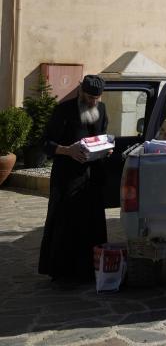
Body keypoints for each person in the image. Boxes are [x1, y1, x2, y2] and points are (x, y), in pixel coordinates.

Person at [37, 74, 110, 284]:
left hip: (91, 178)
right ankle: (64, 273)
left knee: (91, 224)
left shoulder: (102, 110)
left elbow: (102, 135)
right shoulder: (64, 110)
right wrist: (67, 151)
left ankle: (90, 270)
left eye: (96, 99)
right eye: (89, 98)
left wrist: (106, 149)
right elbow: (45, 143)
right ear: (81, 92)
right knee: (66, 225)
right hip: (67, 178)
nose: (93, 102)